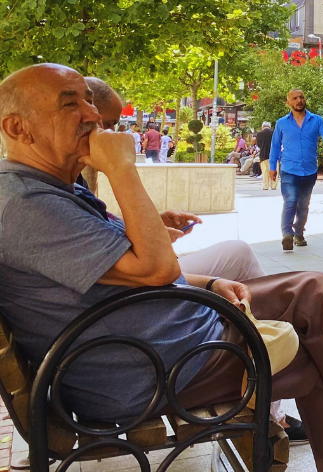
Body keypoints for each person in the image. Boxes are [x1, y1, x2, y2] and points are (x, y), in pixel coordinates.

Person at [0, 64, 323, 472]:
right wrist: (122, 168)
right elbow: (150, 268)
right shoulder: (25, 203)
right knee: (318, 328)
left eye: (89, 100)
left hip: (157, 339)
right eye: (71, 104)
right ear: (18, 128)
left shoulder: (48, 189)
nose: (92, 115)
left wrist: (207, 282)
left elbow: (126, 268)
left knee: (314, 299)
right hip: (141, 368)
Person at [79, 76, 307, 440]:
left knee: (258, 268)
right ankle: (271, 411)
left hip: (141, 318)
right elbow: (157, 269)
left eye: (113, 124)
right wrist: (121, 169)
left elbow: (103, 237)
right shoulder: (38, 198)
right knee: (306, 298)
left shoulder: (60, 184)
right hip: (142, 349)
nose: (114, 134)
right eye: (105, 125)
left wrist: (152, 225)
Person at [267, 89, 323, 251]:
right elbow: (275, 146)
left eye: (301, 97)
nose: (299, 100)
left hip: (309, 171)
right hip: (289, 170)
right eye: (295, 98)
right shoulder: (281, 123)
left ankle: (299, 233)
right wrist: (272, 166)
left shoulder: (316, 120)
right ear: (288, 103)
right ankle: (287, 234)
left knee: (303, 205)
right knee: (291, 200)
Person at [256, 121, 275, 186]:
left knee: (265, 171)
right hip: (274, 154)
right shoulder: (274, 133)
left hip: (263, 154)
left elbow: (258, 145)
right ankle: (273, 185)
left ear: (262, 127)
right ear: (270, 127)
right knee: (274, 170)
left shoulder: (259, 134)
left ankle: (265, 185)